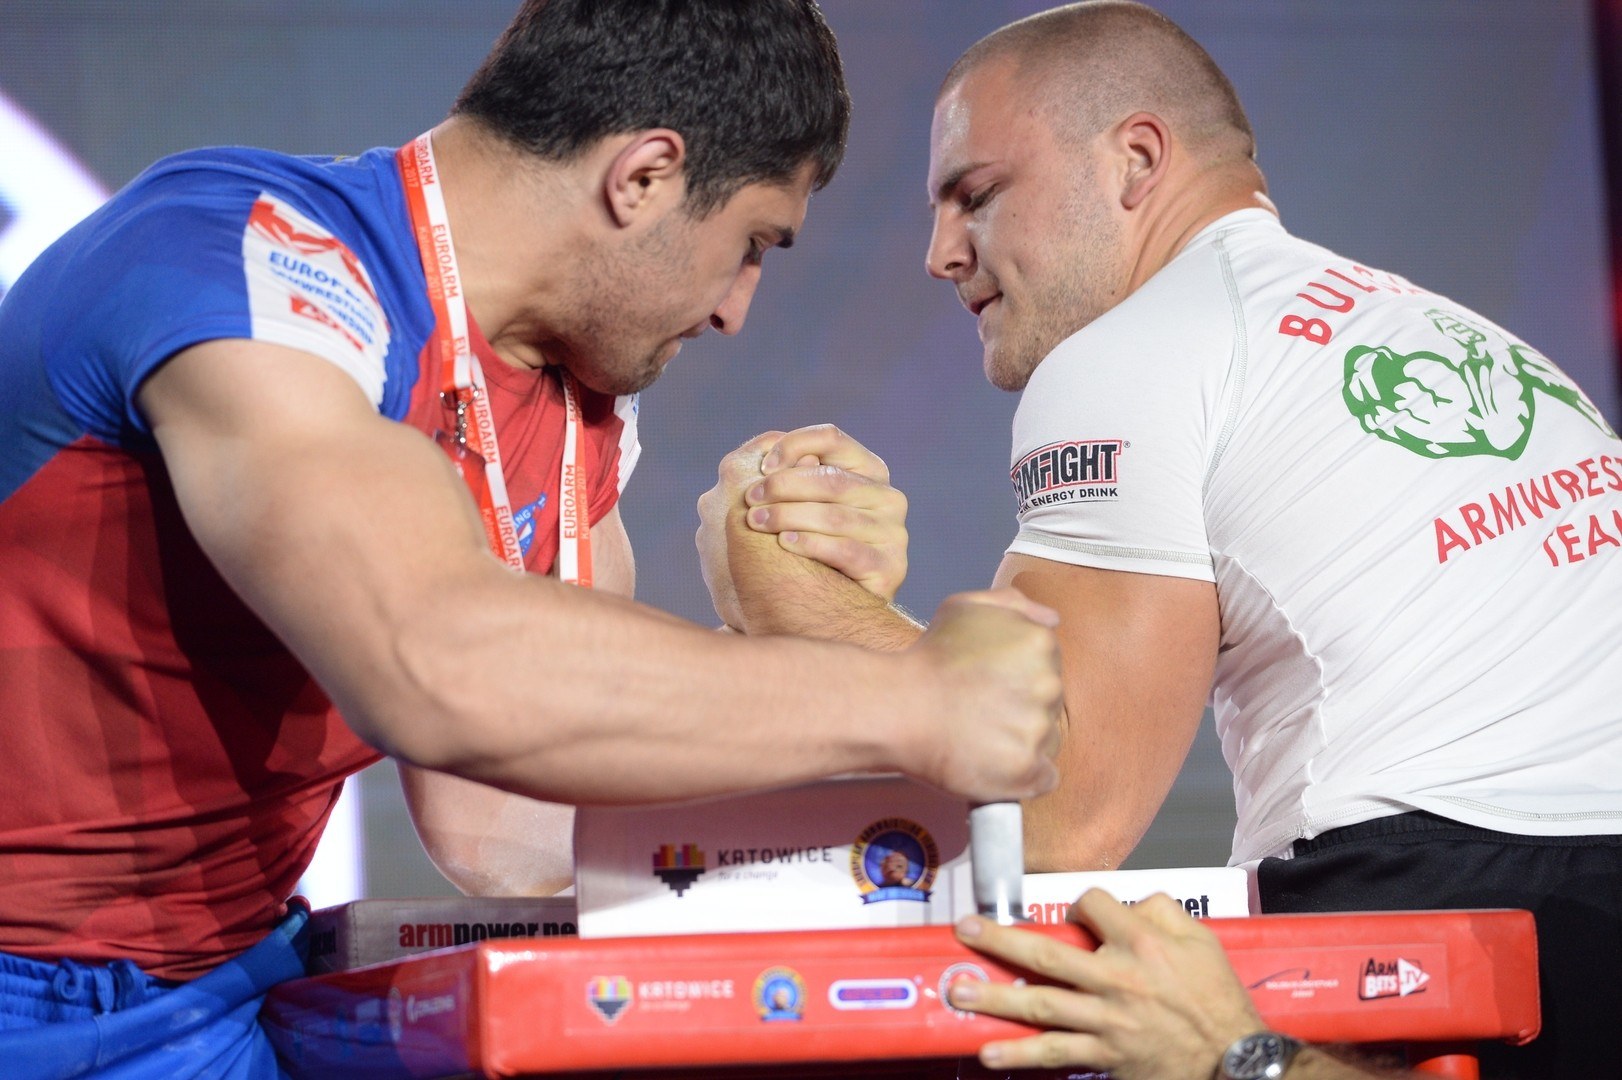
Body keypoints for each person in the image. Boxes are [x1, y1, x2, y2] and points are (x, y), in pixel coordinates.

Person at [0, 2, 1067, 1076]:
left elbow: (517, 826)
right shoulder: (239, 255)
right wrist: (914, 700)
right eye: (750, 244)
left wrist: (787, 619)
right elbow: (435, 664)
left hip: (224, 980)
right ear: (643, 176)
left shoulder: (571, 407)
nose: (737, 310)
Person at [698, 1, 1621, 1075]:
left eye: (975, 196)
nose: (938, 253)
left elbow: (1055, 816)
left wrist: (779, 586)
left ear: (1136, 159)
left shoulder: (1132, 348)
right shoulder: (1463, 337)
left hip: (1452, 914)